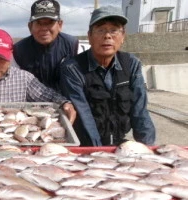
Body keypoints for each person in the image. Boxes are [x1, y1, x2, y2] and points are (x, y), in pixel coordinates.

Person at [59, 5, 156, 146]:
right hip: (85, 145)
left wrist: (149, 148)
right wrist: (99, 153)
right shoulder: (72, 68)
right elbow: (84, 113)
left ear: (123, 37)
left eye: (114, 30)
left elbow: (140, 110)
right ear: (90, 36)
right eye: (101, 30)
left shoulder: (131, 64)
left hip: (118, 142)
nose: (107, 36)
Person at [13, 0, 79, 90]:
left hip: (66, 101)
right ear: (30, 26)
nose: (44, 28)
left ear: (60, 25)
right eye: (39, 23)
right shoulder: (18, 50)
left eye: (50, 22)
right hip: (31, 102)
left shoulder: (73, 46)